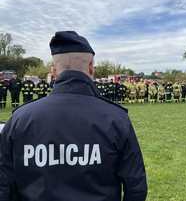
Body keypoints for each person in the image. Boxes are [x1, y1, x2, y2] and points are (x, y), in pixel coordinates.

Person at [0, 31, 147, 201]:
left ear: (53, 71)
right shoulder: (116, 118)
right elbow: (136, 187)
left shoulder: (20, 119)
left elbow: (4, 184)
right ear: (91, 67)